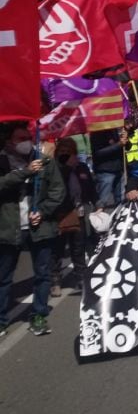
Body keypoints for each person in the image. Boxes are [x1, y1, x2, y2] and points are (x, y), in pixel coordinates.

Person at [0, 124, 66, 336]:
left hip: (40, 227)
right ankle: (1, 320)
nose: (26, 141)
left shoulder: (45, 160)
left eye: (28, 137)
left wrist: (43, 212)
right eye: (21, 138)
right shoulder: (2, 160)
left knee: (42, 274)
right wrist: (25, 173)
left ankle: (39, 315)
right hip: (9, 228)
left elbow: (58, 190)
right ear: (10, 141)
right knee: (4, 277)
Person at [49, 137, 94, 297]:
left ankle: (81, 278)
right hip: (58, 215)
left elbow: (90, 187)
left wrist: (97, 204)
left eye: (71, 153)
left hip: (78, 213)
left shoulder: (81, 168)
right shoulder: (53, 169)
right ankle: (55, 281)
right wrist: (65, 167)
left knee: (78, 248)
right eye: (63, 153)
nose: (67, 156)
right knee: (57, 250)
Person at [89, 127, 127, 208]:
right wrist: (118, 144)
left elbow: (125, 147)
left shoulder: (115, 130)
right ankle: (100, 219)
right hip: (105, 171)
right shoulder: (96, 132)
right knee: (103, 201)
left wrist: (126, 139)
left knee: (121, 200)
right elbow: (98, 153)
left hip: (118, 169)